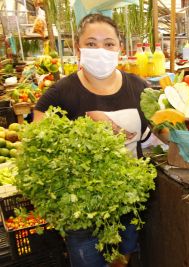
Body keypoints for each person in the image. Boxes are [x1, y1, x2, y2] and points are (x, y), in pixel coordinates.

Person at [34, 13, 163, 267]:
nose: (100, 50)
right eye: (91, 44)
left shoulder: (139, 87)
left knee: (122, 259)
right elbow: (39, 147)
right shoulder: (60, 93)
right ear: (78, 48)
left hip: (130, 200)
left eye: (109, 44)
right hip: (82, 211)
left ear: (119, 48)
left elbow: (161, 130)